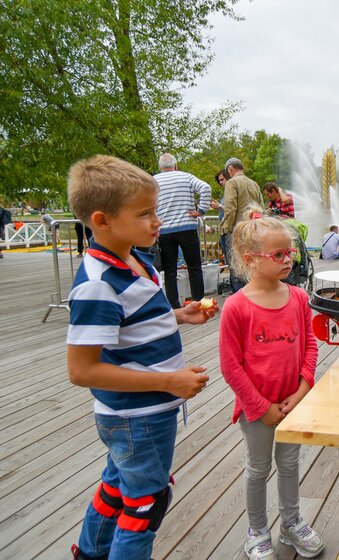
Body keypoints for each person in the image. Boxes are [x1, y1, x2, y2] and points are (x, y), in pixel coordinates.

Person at [65, 155, 217, 560]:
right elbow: (82, 370)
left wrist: (179, 315)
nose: (157, 221)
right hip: (137, 417)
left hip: (140, 414)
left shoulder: (134, 258)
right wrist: (169, 381)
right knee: (146, 502)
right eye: (145, 213)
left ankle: (91, 552)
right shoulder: (98, 285)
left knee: (117, 487)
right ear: (102, 220)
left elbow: (132, 323)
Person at [219, 206, 324, 559]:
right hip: (256, 410)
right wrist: (260, 407)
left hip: (293, 402)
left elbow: (310, 346)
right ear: (250, 259)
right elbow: (231, 367)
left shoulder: (298, 297)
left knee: (291, 464)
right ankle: (257, 530)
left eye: (290, 253)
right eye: (278, 254)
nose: (288, 261)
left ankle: (291, 523)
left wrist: (302, 390)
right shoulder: (236, 307)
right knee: (258, 468)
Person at [154, 153, 212, 308]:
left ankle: (174, 306)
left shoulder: (154, 181)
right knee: (194, 267)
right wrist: (201, 210)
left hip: (165, 230)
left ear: (160, 167)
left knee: (170, 271)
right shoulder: (186, 177)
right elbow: (205, 188)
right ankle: (199, 302)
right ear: (175, 165)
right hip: (187, 227)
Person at [221, 157, 265, 292]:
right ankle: (255, 293)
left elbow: (230, 208)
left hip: (237, 231)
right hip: (253, 230)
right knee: (252, 264)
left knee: (236, 266)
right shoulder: (254, 184)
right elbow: (261, 207)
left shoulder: (232, 183)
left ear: (230, 169)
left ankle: (239, 298)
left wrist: (225, 228)